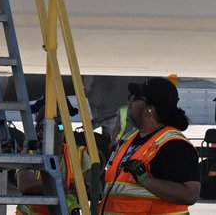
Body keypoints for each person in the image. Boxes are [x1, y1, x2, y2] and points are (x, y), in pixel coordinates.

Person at [100, 77, 199, 215]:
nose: (130, 102)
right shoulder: (129, 138)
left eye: (135, 98)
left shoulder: (174, 145)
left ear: (150, 110)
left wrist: (145, 179)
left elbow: (189, 194)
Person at [17, 95, 92, 215]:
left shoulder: (79, 154)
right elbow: (24, 186)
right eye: (46, 126)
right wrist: (58, 184)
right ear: (38, 131)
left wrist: (83, 187)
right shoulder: (30, 154)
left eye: (60, 126)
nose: (55, 131)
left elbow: (90, 185)